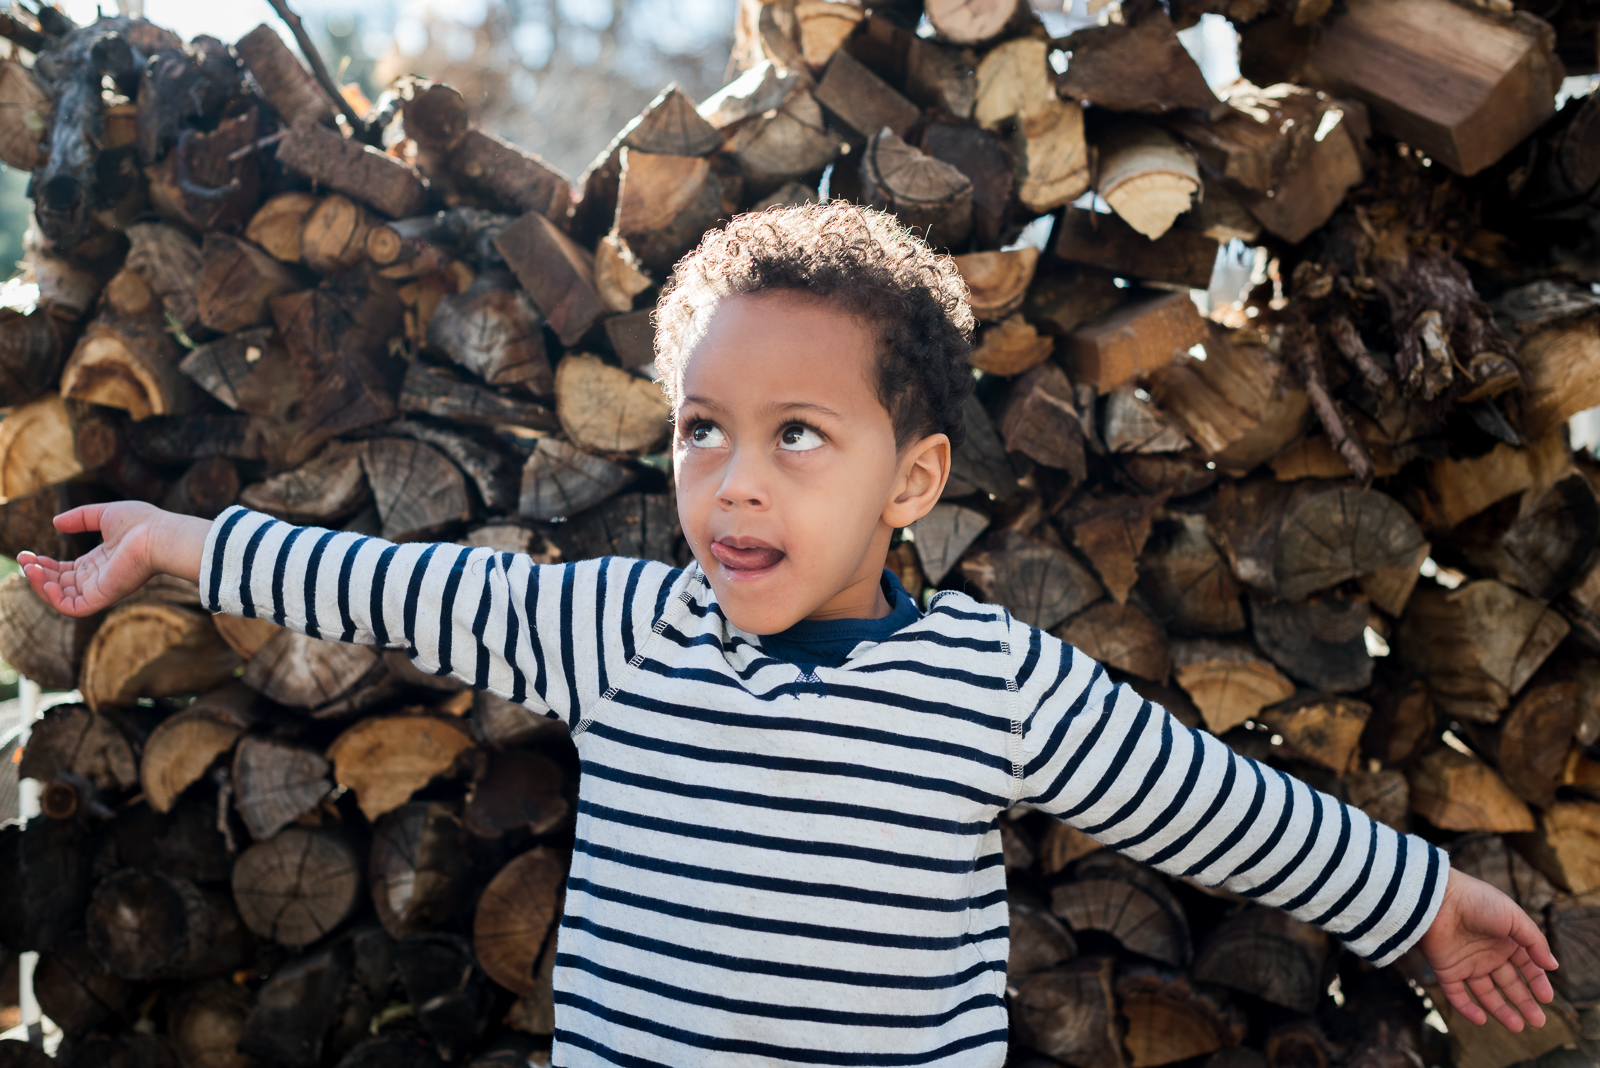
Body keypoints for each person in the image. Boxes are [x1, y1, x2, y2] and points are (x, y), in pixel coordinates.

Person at [22, 203, 1556, 1066]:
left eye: (799, 438)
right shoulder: (618, 629)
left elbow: (1213, 807)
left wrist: (1419, 901)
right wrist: (187, 543)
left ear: (916, 479)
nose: (733, 480)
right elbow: (399, 589)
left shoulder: (991, 682)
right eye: (702, 431)